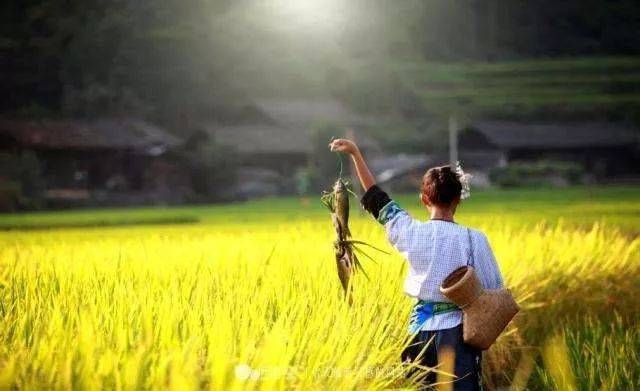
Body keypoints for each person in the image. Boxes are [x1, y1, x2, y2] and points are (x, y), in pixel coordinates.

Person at [329, 138, 504, 390]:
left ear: (424, 199)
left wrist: (355, 153)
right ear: (458, 200)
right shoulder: (473, 239)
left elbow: (376, 199)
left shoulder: (411, 232)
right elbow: (495, 288)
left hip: (418, 333)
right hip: (457, 335)